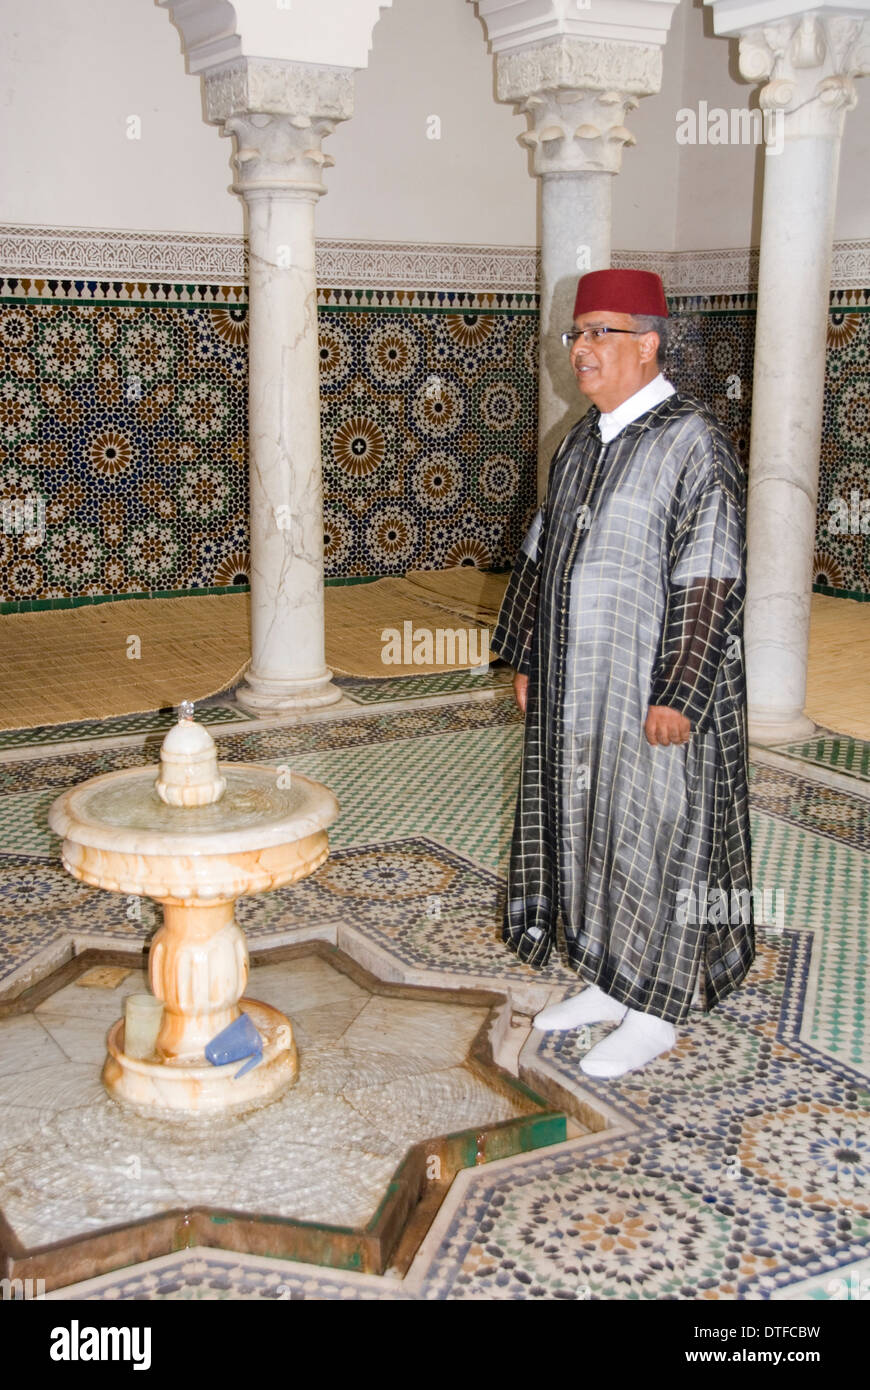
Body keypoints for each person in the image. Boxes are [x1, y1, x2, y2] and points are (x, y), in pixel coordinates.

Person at [492, 268, 753, 1079]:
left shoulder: (693, 442)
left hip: (650, 691)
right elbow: (543, 553)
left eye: (600, 333)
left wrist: (680, 690)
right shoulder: (583, 438)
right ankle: (609, 980)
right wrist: (530, 653)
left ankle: (658, 1009)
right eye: (576, 334)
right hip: (579, 685)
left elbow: (710, 572)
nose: (582, 350)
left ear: (649, 344)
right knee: (590, 821)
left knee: (659, 835)